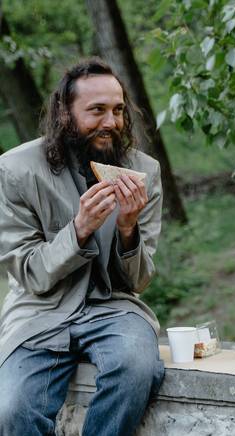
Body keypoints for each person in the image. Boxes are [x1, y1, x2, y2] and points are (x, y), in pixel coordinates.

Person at [0, 58, 164, 435]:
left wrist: (127, 228)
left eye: (118, 110)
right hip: (38, 312)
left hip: (113, 307)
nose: (111, 123)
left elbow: (138, 283)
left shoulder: (145, 172)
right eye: (97, 110)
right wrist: (79, 229)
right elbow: (30, 274)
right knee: (12, 410)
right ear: (64, 113)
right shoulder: (15, 170)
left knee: (138, 368)